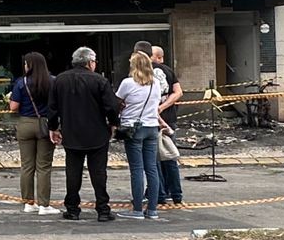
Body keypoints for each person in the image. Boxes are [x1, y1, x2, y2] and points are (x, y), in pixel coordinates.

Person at [47, 46, 121, 221]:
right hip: (97, 133)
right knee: (99, 173)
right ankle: (103, 209)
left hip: (71, 133)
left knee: (73, 173)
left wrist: (53, 127)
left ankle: (72, 208)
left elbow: (52, 108)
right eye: (94, 62)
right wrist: (113, 124)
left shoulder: (59, 80)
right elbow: (111, 107)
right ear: (89, 62)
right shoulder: (99, 81)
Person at [116, 50, 168, 220]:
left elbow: (117, 102)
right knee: (151, 168)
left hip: (133, 128)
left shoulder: (127, 83)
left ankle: (137, 209)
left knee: (137, 169)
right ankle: (152, 209)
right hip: (152, 127)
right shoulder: (156, 84)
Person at [8, 51, 56, 215]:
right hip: (46, 125)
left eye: (26, 63)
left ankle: (28, 203)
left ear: (30, 65)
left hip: (25, 124)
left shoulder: (22, 83)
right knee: (44, 167)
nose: (24, 66)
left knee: (27, 166)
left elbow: (13, 107)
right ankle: (44, 205)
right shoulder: (52, 81)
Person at [151, 43, 184, 206]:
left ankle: (159, 192)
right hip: (169, 120)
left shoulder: (147, 71)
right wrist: (165, 106)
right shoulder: (169, 71)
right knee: (169, 156)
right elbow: (178, 92)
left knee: (155, 159)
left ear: (158, 57)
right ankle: (175, 192)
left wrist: (159, 108)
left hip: (155, 120)